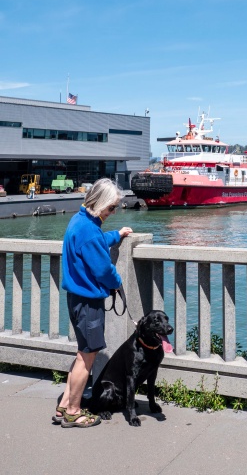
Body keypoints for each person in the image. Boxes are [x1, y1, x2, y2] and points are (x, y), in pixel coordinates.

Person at [54, 178, 132, 428]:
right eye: (111, 208)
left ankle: (64, 406)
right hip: (88, 303)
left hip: (76, 299)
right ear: (100, 203)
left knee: (81, 354)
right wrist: (118, 281)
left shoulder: (80, 221)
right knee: (86, 357)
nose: (112, 212)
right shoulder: (88, 230)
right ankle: (74, 412)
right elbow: (103, 269)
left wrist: (116, 235)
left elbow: (95, 243)